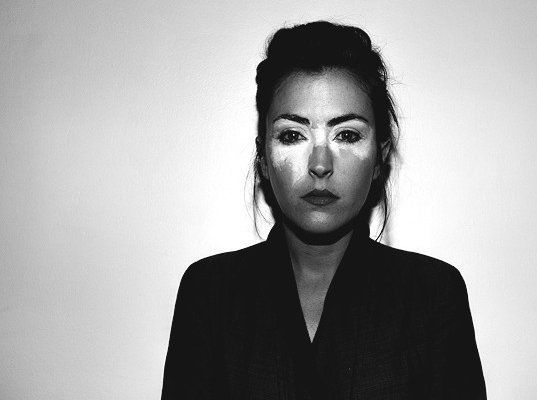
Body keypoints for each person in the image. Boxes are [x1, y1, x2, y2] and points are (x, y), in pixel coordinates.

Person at [162, 21, 485, 399]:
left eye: (346, 135)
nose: (320, 164)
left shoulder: (432, 295)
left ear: (379, 158)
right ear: (263, 157)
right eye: (292, 135)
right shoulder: (210, 294)